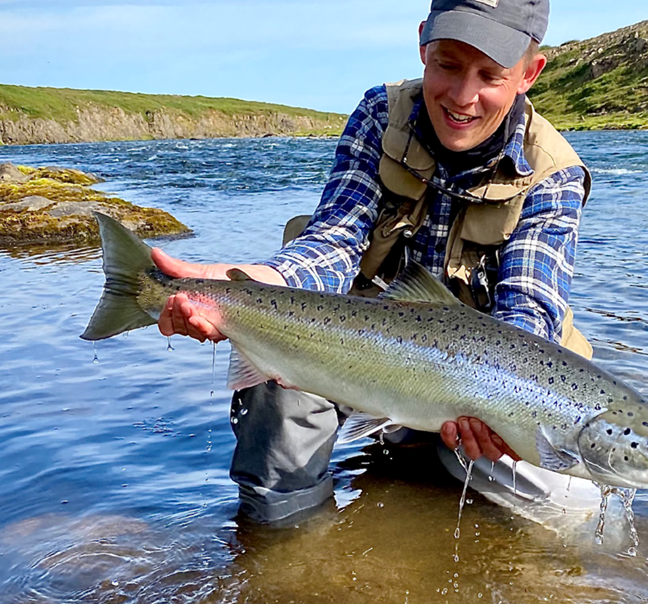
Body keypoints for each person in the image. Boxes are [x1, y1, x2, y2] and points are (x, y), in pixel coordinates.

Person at [153, 0, 594, 523]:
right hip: (358, 354)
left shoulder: (554, 173)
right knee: (276, 382)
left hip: (476, 386)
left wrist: (500, 409)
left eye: (489, 76)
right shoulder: (381, 115)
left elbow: (528, 308)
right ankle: (287, 549)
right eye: (447, 65)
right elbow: (335, 242)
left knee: (574, 509)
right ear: (423, 44)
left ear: (528, 74)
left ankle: (427, 469)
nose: (462, 96)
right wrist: (247, 286)